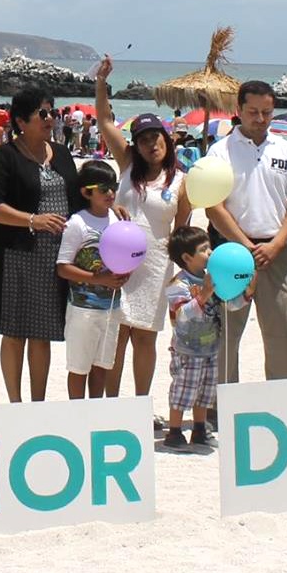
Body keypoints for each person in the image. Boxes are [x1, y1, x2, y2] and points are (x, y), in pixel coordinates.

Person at [94, 57, 191, 403]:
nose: (152, 144)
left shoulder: (181, 181)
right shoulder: (128, 165)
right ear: (136, 143)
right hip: (118, 261)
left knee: (146, 338)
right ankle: (114, 405)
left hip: (156, 266)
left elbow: (182, 232)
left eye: (157, 137)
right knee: (117, 335)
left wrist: (181, 278)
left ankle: (140, 404)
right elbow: (105, 121)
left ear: (167, 139)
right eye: (144, 139)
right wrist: (102, 84)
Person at [203, 80, 287, 383]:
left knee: (279, 334)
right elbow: (214, 207)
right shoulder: (220, 152)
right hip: (232, 252)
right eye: (253, 112)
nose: (260, 119)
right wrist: (247, 246)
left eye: (267, 112)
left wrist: (276, 244)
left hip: (276, 252)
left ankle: (282, 401)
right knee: (226, 334)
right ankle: (220, 405)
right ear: (238, 110)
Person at [0, 88, 82, 402]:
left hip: (55, 256)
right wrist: (32, 220)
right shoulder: (6, 155)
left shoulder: (62, 153)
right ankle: (15, 403)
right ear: (21, 121)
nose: (50, 118)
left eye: (52, 112)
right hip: (16, 254)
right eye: (42, 113)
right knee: (14, 332)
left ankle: (37, 404)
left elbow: (78, 200)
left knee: (44, 333)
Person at [57, 159, 126, 399]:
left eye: (113, 186)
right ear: (87, 192)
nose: (110, 193)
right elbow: (63, 268)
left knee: (102, 366)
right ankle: (78, 414)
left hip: (112, 307)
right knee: (79, 368)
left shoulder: (118, 220)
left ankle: (96, 413)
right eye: (103, 188)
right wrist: (98, 280)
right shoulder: (77, 223)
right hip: (82, 309)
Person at [163, 226, 221, 450]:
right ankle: (175, 432)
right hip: (187, 350)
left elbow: (227, 304)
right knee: (183, 390)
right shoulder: (178, 284)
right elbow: (181, 316)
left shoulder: (213, 278)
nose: (210, 253)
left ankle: (200, 428)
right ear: (187, 257)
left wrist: (246, 292)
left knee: (206, 391)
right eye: (204, 249)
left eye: (209, 247)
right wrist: (204, 294)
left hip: (210, 346)